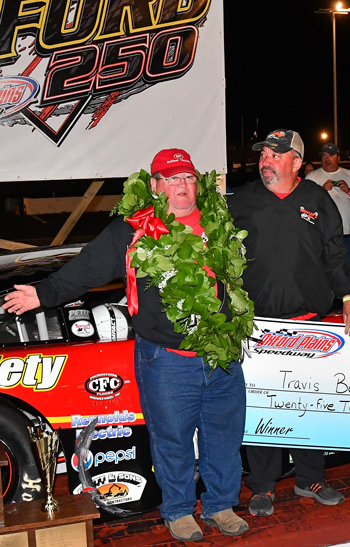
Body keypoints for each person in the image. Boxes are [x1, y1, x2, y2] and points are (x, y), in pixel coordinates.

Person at [2, 149, 250, 543]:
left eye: (187, 177)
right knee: (172, 441)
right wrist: (42, 294)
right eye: (171, 178)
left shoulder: (219, 222)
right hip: (166, 359)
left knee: (224, 437)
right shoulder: (134, 230)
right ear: (154, 185)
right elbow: (87, 267)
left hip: (221, 355)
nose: (182, 186)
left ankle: (221, 505)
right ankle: (179, 511)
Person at [227, 129, 350, 518]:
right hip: (258, 327)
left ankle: (310, 477)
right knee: (262, 406)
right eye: (263, 154)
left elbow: (335, 253)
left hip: (309, 324)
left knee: (308, 404)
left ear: (297, 162)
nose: (266, 161)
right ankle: (263, 484)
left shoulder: (318, 199)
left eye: (276, 154)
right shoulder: (242, 200)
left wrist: (349, 298)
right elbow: (217, 248)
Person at [306, 142, 350, 269]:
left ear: (338, 157)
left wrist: (349, 191)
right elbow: (304, 205)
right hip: (323, 238)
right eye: (324, 156)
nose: (327, 159)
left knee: (348, 271)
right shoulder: (312, 177)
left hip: (347, 236)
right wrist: (321, 191)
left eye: (331, 155)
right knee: (324, 273)